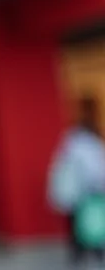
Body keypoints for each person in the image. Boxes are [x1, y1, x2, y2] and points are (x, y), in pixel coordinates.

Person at [49, 96, 105, 266]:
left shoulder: (73, 139)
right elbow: (91, 168)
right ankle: (89, 254)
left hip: (78, 191)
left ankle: (82, 255)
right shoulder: (83, 140)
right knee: (90, 222)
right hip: (85, 190)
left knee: (80, 224)